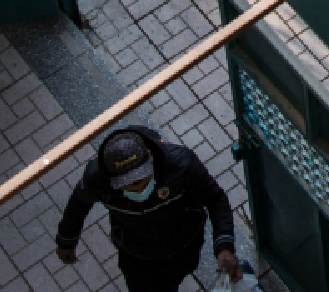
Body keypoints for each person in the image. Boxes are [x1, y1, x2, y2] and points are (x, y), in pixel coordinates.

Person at [56, 125, 241, 292]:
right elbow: (79, 204)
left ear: (150, 157)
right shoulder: (97, 179)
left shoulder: (181, 165)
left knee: (178, 275)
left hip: (185, 244)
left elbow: (215, 199)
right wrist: (67, 240)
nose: (139, 190)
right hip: (135, 254)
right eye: (129, 187)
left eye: (143, 182)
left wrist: (224, 245)